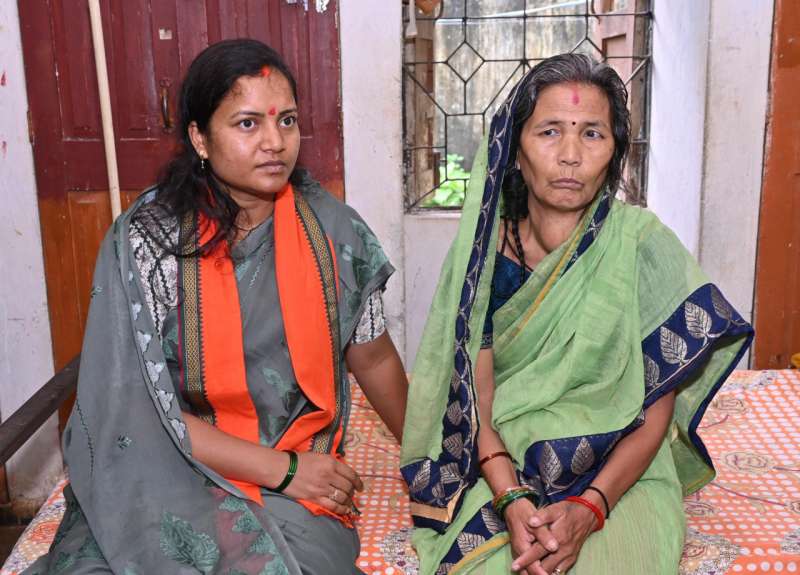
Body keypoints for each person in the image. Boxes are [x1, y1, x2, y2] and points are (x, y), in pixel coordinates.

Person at [25, 39, 407, 575]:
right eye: (248, 124)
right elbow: (131, 413)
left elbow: (375, 357)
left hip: (296, 486)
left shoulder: (334, 234)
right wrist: (281, 469)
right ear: (199, 138)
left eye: (288, 121)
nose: (275, 142)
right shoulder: (149, 242)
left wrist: (432, 455)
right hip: (166, 467)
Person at [400, 53, 753, 575]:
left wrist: (591, 509)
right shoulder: (483, 258)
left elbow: (654, 410)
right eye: (549, 132)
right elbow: (479, 404)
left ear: (614, 154)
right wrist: (512, 499)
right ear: (515, 151)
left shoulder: (640, 245)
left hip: (620, 469)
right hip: (507, 460)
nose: (570, 156)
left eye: (592, 134)